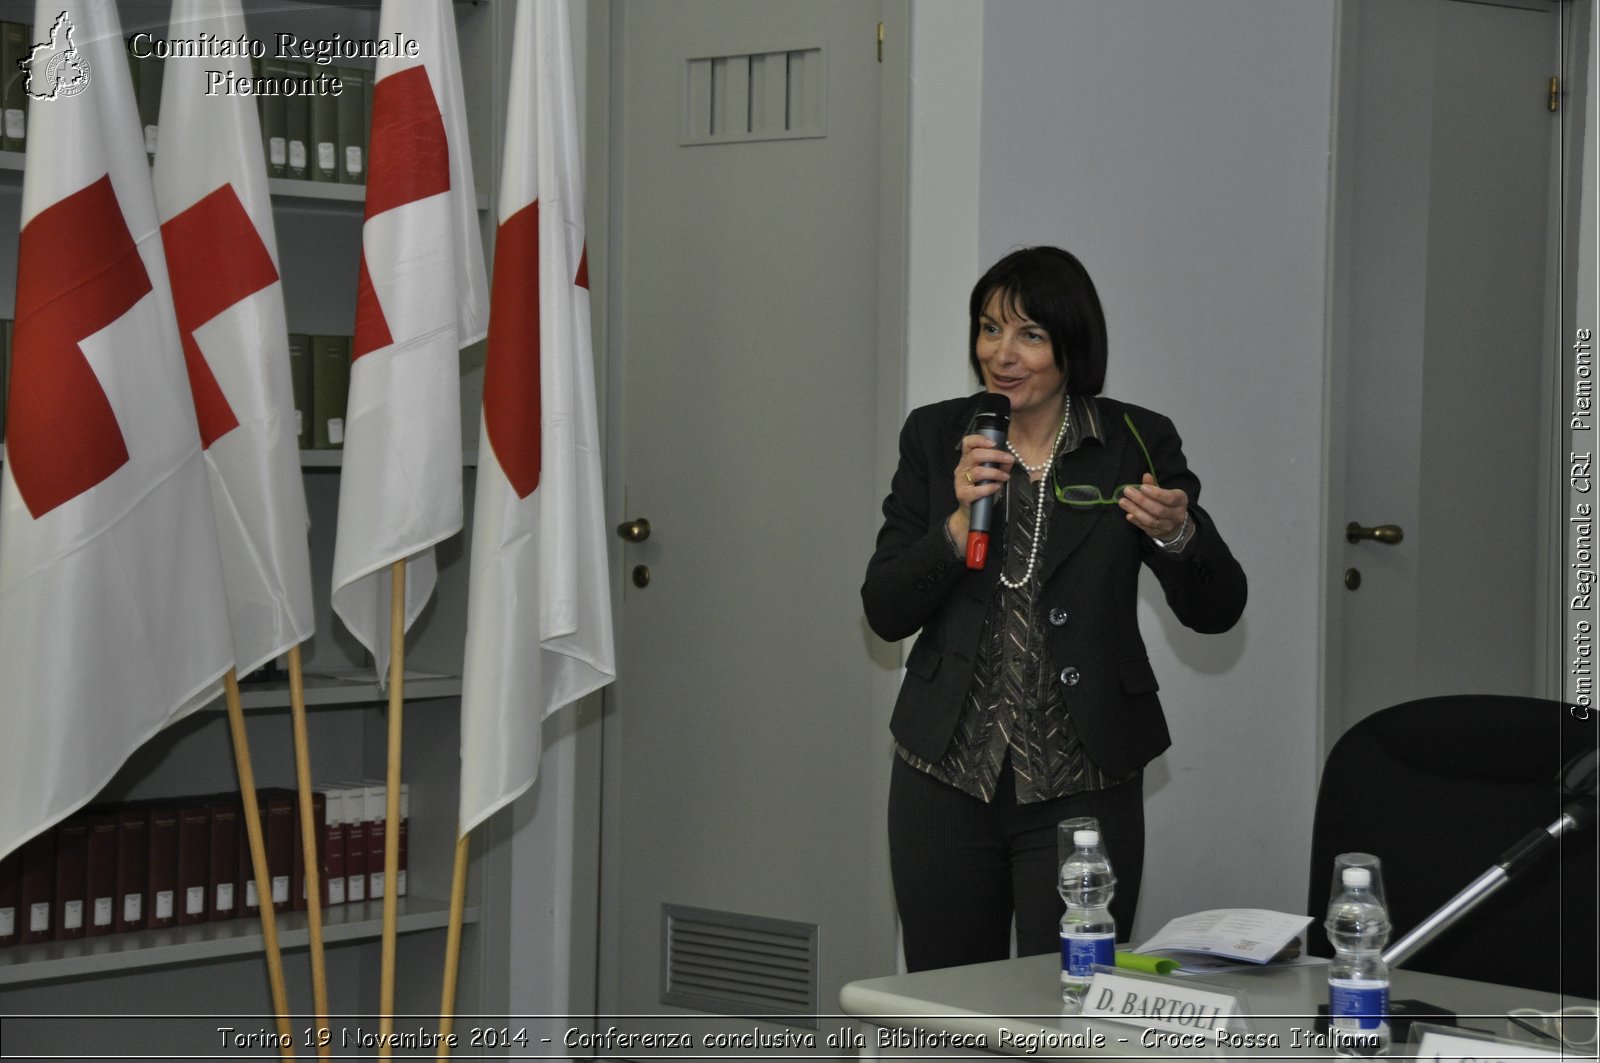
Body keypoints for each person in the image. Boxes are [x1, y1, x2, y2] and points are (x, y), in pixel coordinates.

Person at [861, 246, 1247, 972]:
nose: (1001, 354)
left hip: (1083, 783)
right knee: (949, 1010)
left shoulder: (1135, 440)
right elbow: (883, 609)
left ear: (1073, 345)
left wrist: (1177, 531)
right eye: (988, 328)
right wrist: (954, 523)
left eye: (1029, 335)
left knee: (1071, 1009)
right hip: (944, 777)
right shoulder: (936, 435)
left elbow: (1218, 608)